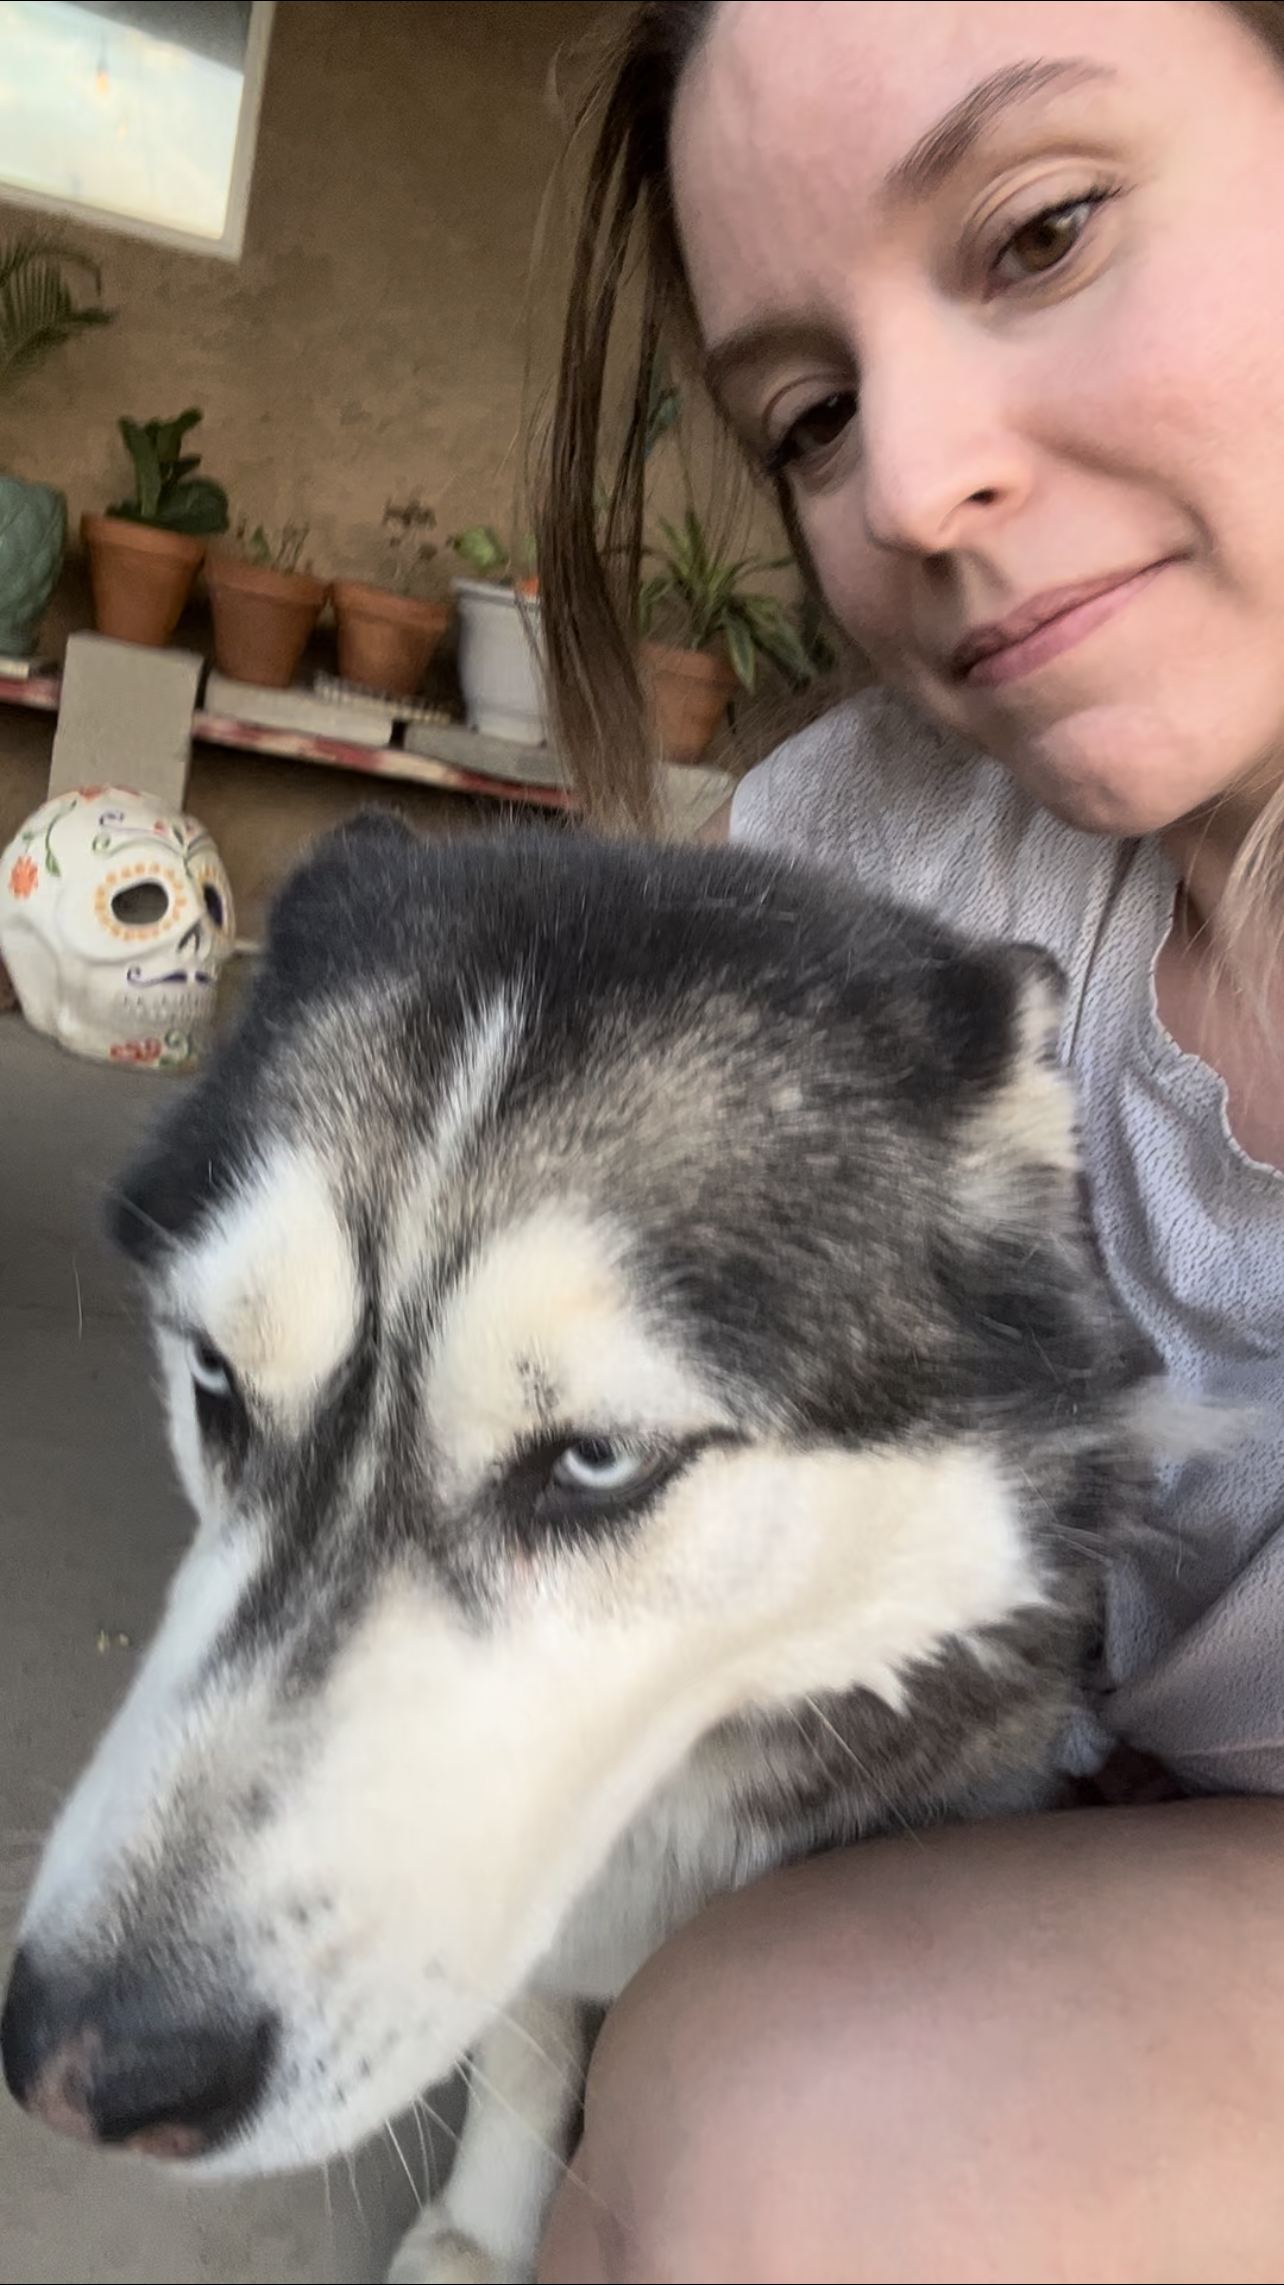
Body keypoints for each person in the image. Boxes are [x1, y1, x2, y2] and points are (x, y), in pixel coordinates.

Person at [530, 6, 1284, 2280]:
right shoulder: (860, 865)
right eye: (812, 415)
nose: (915, 486)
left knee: (803, 2135)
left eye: (1044, 229)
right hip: (1059, 1819)